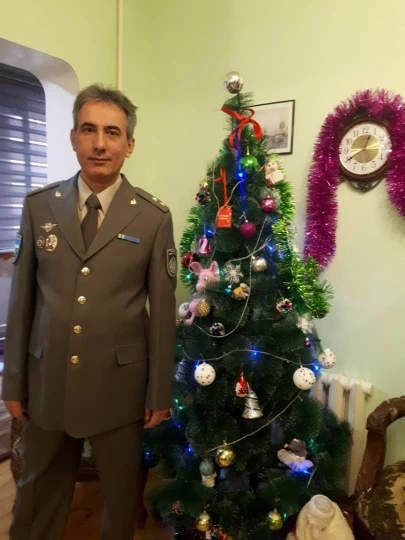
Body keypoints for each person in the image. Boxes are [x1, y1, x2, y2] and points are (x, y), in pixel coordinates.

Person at [2, 83, 177, 540]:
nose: (100, 143)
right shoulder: (39, 207)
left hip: (120, 387)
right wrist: (13, 382)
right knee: (36, 495)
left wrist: (159, 391)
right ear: (73, 138)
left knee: (119, 502)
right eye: (89, 130)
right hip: (47, 383)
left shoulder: (153, 218)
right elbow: (22, 302)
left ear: (129, 144)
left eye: (112, 133)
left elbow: (162, 313)